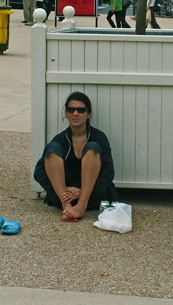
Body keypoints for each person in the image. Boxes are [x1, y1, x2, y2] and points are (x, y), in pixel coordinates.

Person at [34, 92, 117, 222]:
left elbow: (108, 172)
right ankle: (67, 207)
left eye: (81, 110)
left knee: (92, 147)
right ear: (66, 114)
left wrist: (83, 192)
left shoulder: (99, 137)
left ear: (88, 114)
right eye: (71, 110)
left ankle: (80, 207)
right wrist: (65, 189)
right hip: (63, 197)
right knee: (51, 149)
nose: (75, 114)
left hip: (91, 197)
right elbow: (39, 172)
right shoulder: (60, 139)